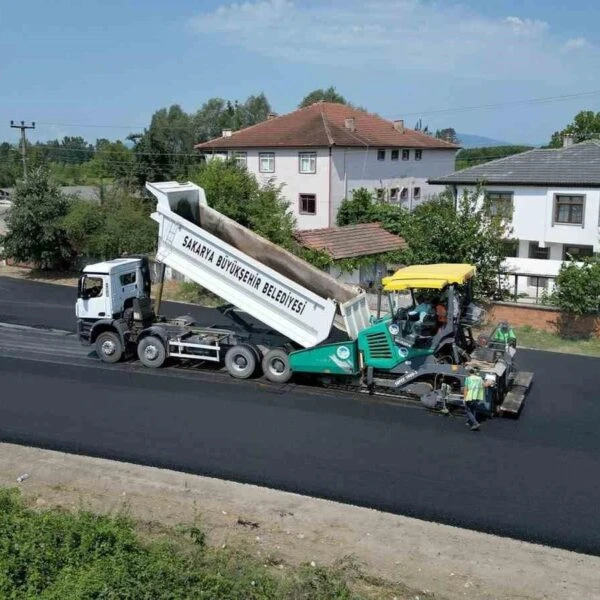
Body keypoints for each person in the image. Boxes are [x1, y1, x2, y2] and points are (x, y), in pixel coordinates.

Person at [463, 366, 485, 431]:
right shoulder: (479, 378)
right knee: (473, 409)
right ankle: (470, 421)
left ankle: (475, 423)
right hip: (476, 397)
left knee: (468, 410)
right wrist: (489, 382)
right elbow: (484, 385)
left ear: (469, 372)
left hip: (469, 397)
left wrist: (464, 398)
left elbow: (465, 390)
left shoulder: (468, 379)